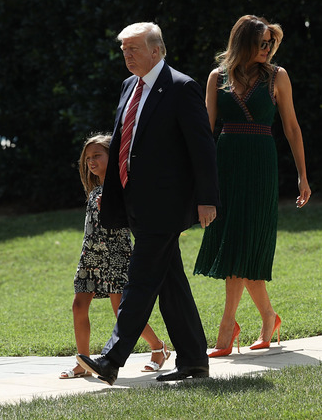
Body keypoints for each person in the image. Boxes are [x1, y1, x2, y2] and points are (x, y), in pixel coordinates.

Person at [76, 22, 220, 384]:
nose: (127, 55)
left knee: (139, 281)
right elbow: (125, 141)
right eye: (124, 49)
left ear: (157, 50)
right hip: (135, 202)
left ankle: (111, 359)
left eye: (134, 49)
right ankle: (193, 361)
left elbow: (202, 148)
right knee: (171, 283)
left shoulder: (181, 87)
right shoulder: (128, 86)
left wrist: (207, 199)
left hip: (167, 204)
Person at [193, 15, 311, 357]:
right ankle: (268, 318)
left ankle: (226, 330)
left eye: (270, 43)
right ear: (243, 42)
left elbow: (291, 126)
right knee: (235, 245)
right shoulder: (217, 77)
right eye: (262, 43)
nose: (268, 49)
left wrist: (303, 175)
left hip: (261, 163)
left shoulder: (278, 76)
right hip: (226, 163)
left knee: (243, 244)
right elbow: (205, 131)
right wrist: (199, 179)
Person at [60, 134, 170, 379]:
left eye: (97, 155)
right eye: (87, 157)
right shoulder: (95, 190)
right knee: (78, 305)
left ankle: (158, 347)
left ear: (113, 156)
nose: (91, 161)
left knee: (122, 310)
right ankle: (83, 361)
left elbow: (131, 217)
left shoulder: (122, 186)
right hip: (90, 256)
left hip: (117, 254)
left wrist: (113, 204)